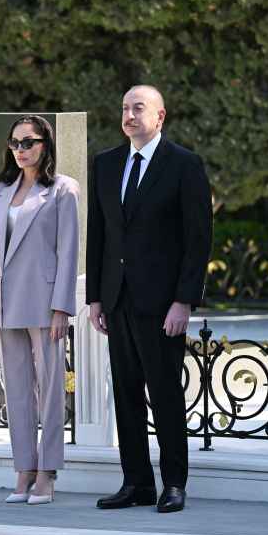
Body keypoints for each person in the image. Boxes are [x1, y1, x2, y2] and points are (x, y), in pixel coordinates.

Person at [85, 85, 213, 513]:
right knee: (125, 395)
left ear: (160, 116)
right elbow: (99, 235)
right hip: (116, 298)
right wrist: (95, 298)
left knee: (165, 395)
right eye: (125, 108)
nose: (129, 115)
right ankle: (137, 482)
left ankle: (173, 483)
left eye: (138, 108)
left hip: (161, 303)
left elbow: (199, 239)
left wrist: (184, 300)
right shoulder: (105, 163)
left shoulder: (185, 164)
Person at [0, 115, 81, 505]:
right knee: (17, 390)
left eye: (28, 142)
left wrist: (62, 309)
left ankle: (47, 472)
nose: (20, 150)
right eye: (14, 143)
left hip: (45, 301)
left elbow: (68, 251)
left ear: (45, 144)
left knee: (52, 388)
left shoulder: (63, 189)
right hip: (6, 302)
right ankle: (24, 469)